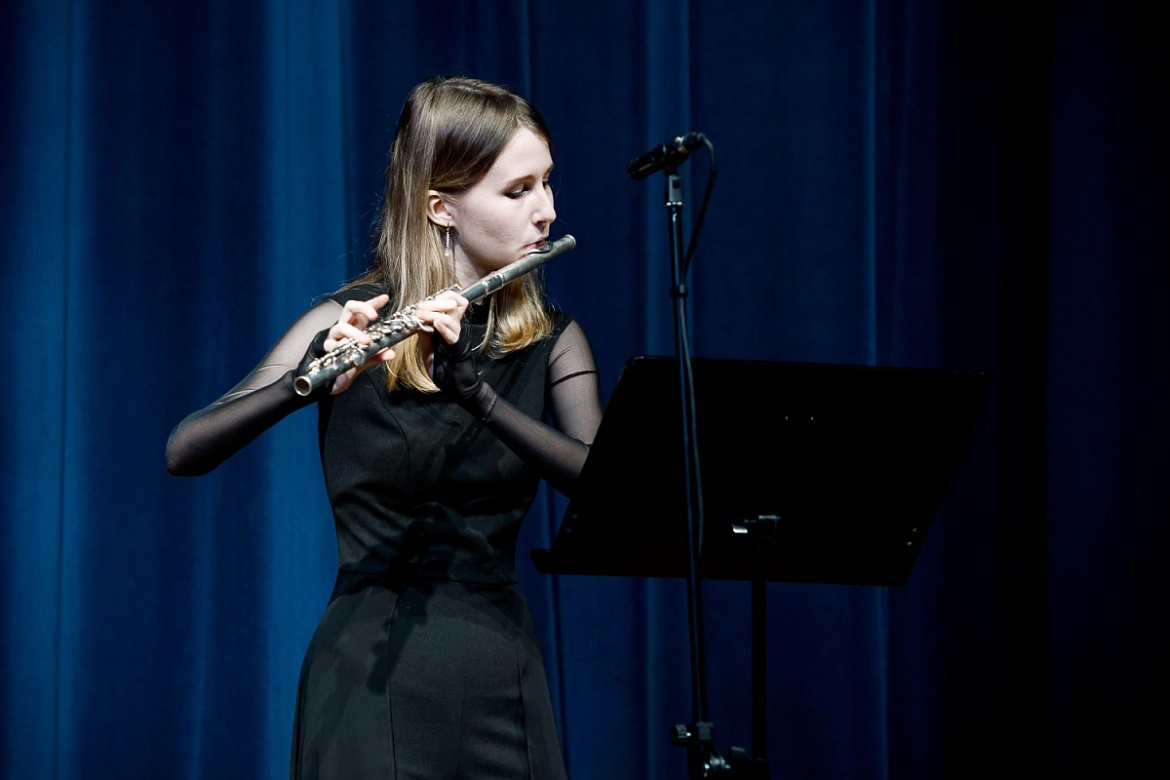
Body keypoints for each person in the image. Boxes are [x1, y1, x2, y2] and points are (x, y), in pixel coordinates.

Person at [166, 75, 603, 780]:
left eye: (547, 183)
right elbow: (185, 450)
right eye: (518, 190)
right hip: (368, 676)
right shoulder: (348, 321)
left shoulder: (552, 338)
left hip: (502, 672)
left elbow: (601, 485)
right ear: (441, 207)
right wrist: (301, 382)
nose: (546, 210)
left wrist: (480, 398)